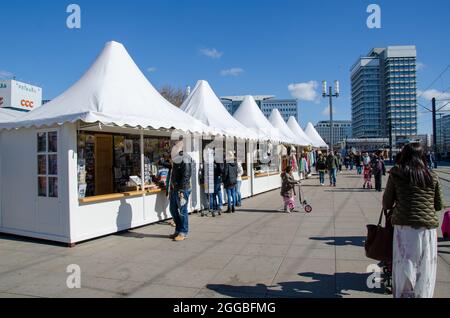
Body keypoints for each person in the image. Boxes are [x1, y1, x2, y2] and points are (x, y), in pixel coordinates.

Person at [383, 143, 444, 298]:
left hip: (403, 227)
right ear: (422, 156)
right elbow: (438, 205)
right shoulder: (432, 175)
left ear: (404, 155)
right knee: (425, 267)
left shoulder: (396, 173)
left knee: (404, 265)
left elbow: (387, 203)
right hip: (427, 228)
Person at [169, 142, 193, 242]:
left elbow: (186, 175)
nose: (172, 148)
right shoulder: (176, 158)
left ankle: (183, 232)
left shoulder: (185, 158)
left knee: (182, 210)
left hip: (183, 189)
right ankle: (178, 229)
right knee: (173, 209)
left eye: (174, 146)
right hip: (175, 188)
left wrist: (182, 190)